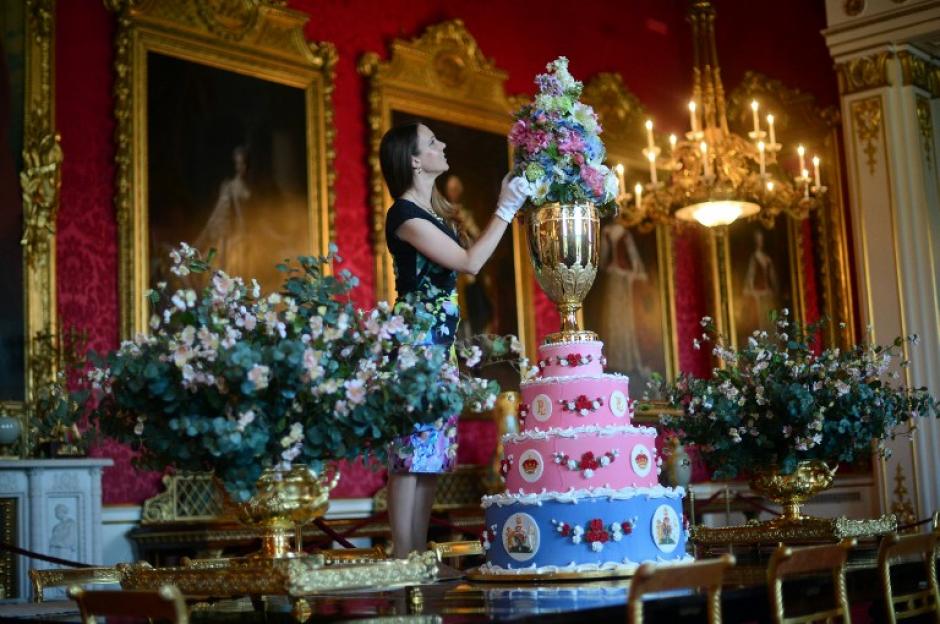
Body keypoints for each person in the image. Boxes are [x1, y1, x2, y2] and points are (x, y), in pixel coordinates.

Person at [379, 122, 529, 558]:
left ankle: (417, 558)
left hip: (437, 348)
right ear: (412, 159)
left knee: (427, 460)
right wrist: (505, 207)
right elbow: (470, 262)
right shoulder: (404, 216)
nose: (442, 145)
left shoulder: (431, 213)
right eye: (432, 142)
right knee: (409, 458)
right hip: (414, 348)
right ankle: (403, 560)